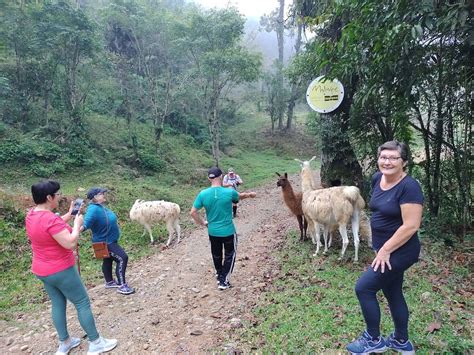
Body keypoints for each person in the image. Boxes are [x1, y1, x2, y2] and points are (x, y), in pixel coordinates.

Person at [346, 141, 424, 355]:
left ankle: (373, 340)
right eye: (383, 157)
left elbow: (411, 225)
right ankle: (401, 341)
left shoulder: (409, 187)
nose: (387, 162)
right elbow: (379, 211)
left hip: (400, 250)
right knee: (393, 291)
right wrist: (379, 245)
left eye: (393, 158)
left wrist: (386, 249)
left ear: (404, 162)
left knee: (364, 288)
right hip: (384, 248)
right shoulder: (377, 178)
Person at [25, 180, 117, 355]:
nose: (59, 197)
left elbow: (52, 225)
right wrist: (76, 224)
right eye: (57, 195)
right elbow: (69, 243)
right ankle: (96, 342)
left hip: (42, 270)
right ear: (48, 197)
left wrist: (68, 215)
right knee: (82, 302)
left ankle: (64, 342)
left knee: (58, 303)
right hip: (61, 270)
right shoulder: (50, 219)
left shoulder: (32, 214)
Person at [190, 167, 256, 290]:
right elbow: (239, 197)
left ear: (208, 178)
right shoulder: (229, 192)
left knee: (216, 254)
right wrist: (250, 195)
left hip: (212, 231)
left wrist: (204, 223)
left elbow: (193, 212)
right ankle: (223, 281)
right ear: (221, 176)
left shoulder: (203, 194)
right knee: (230, 254)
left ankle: (219, 274)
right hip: (228, 231)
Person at [82, 187, 135, 295]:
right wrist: (79, 229)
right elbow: (86, 223)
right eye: (102, 194)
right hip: (104, 242)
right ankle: (122, 285)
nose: (104, 195)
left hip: (107, 240)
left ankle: (109, 281)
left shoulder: (100, 207)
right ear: (95, 197)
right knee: (123, 258)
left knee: (108, 259)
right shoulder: (93, 209)